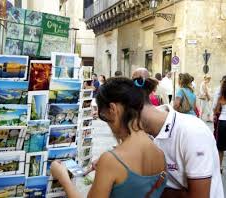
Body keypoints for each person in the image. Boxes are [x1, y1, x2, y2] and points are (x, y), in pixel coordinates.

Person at [52, 77, 224, 198]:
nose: (109, 126)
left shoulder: (191, 132)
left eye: (104, 118)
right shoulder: (158, 152)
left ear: (113, 109)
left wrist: (64, 179)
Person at [51, 77, 167, 198]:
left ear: (112, 109)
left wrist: (63, 178)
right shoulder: (160, 154)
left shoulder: (111, 160)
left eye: (102, 116)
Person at [214, 77, 226, 172]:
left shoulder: (221, 98)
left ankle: (220, 167)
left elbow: (216, 110)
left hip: (222, 122)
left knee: (220, 148)